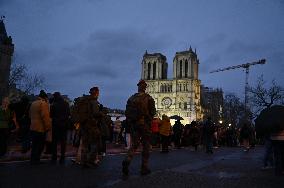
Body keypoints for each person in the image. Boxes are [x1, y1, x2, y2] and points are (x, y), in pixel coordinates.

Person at [122, 80, 156, 176]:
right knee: (146, 146)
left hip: (134, 125)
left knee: (134, 145)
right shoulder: (148, 98)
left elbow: (127, 113)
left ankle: (127, 160)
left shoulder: (131, 98)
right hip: (144, 125)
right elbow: (153, 112)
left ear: (138, 87)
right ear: (145, 88)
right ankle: (144, 168)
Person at [80, 87, 103, 168]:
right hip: (92, 125)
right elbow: (96, 113)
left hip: (83, 125)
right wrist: (101, 113)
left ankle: (83, 161)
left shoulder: (85, 100)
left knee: (85, 144)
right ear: (96, 93)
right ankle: (90, 161)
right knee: (95, 144)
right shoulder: (93, 101)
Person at [30, 90, 52, 164]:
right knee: (40, 145)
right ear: (45, 97)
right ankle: (36, 159)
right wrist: (48, 127)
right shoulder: (43, 104)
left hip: (33, 127)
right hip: (40, 128)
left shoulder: (33, 103)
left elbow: (30, 114)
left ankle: (32, 159)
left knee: (34, 145)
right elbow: (45, 117)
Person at [50, 92, 70, 164]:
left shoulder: (53, 105)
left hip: (55, 124)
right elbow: (68, 113)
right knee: (63, 141)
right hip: (64, 125)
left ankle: (54, 156)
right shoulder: (66, 104)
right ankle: (62, 156)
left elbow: (51, 115)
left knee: (54, 141)